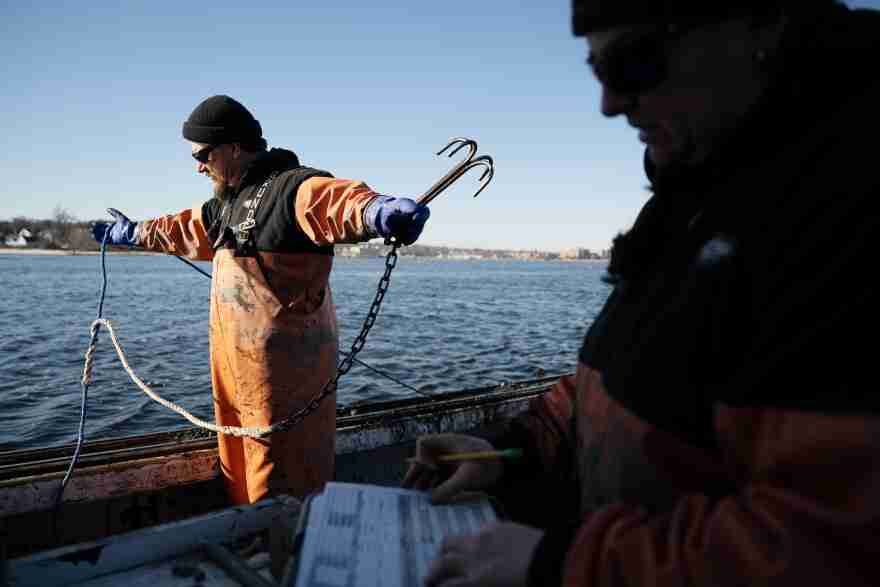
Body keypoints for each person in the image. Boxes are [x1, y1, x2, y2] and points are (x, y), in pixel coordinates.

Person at [403, 1, 880, 585]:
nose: (610, 104)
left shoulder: (847, 206)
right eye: (598, 71)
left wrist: (561, 565)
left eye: (633, 62)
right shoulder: (695, 194)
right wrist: (505, 453)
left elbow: (831, 545)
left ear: (760, 24)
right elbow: (620, 374)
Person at [93, 95, 430, 505]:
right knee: (238, 464)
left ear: (233, 147)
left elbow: (333, 202)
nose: (199, 166)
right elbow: (181, 229)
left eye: (202, 155)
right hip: (233, 375)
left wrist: (374, 210)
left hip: (286, 381)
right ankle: (249, 532)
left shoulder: (292, 188)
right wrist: (134, 234)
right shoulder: (224, 206)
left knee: (283, 478)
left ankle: (285, 550)